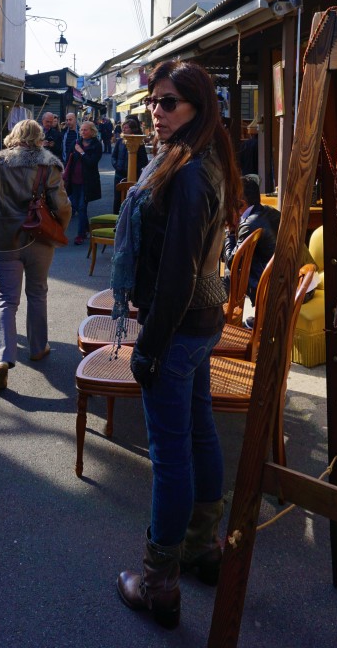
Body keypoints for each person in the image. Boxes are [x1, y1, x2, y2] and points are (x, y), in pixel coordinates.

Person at [113, 59, 242, 630]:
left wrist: (149, 348)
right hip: (200, 320)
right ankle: (201, 548)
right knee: (197, 430)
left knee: (170, 454)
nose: (155, 113)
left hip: (181, 323)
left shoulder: (190, 171)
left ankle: (160, 581)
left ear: (196, 106)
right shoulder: (199, 157)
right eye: (152, 103)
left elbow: (176, 272)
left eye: (167, 103)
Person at [0, 119, 71, 388]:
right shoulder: (49, 166)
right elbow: (62, 205)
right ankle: (38, 347)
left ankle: (1, 358)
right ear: (40, 138)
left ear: (13, 135)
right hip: (39, 239)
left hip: (3, 241)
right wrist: (58, 228)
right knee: (37, 292)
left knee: (6, 299)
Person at [224, 174, 314, 328]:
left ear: (241, 203)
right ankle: (260, 317)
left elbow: (232, 261)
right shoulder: (268, 211)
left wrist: (230, 232)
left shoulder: (250, 223)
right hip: (305, 283)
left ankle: (228, 325)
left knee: (229, 275)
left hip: (289, 291)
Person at [63, 120, 103, 245]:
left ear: (92, 131)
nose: (82, 132)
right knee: (73, 205)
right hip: (74, 180)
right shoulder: (76, 142)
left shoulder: (96, 145)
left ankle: (80, 234)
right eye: (81, 130)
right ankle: (86, 228)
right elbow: (69, 160)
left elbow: (91, 163)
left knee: (81, 207)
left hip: (87, 182)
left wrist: (81, 152)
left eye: (85, 130)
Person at [111, 115, 148, 213]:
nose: (123, 128)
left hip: (133, 176)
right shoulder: (120, 141)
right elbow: (114, 156)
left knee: (130, 199)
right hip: (119, 175)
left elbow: (144, 161)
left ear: (132, 129)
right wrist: (117, 166)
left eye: (126, 127)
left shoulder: (139, 143)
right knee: (117, 199)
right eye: (123, 127)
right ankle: (116, 218)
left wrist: (132, 169)